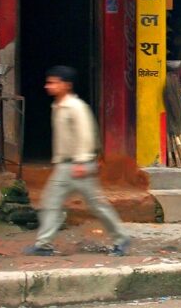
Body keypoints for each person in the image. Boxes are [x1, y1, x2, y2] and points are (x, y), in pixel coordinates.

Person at [25, 66, 131, 257]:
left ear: (66, 85)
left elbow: (86, 134)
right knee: (51, 201)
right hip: (65, 166)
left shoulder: (76, 107)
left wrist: (83, 162)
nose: (48, 86)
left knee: (96, 205)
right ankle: (43, 244)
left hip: (78, 165)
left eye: (53, 82)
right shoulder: (58, 106)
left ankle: (121, 238)